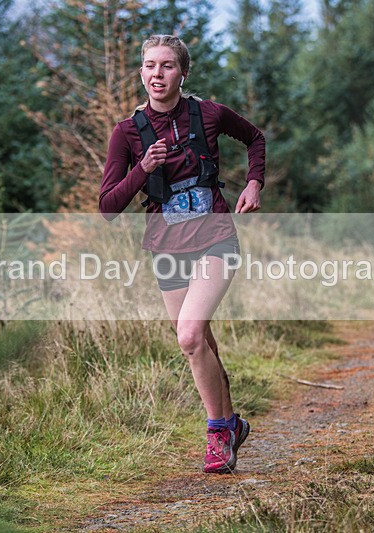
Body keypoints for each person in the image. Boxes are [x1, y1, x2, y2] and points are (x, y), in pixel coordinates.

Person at [99, 35, 265, 474]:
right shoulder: (127, 133)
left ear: (182, 73)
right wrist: (143, 169)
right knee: (201, 342)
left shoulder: (208, 113)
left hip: (215, 237)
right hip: (166, 249)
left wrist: (253, 183)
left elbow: (254, 138)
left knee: (189, 335)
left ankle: (216, 432)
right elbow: (108, 208)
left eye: (167, 66)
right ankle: (232, 426)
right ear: (140, 73)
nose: (157, 74)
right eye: (150, 66)